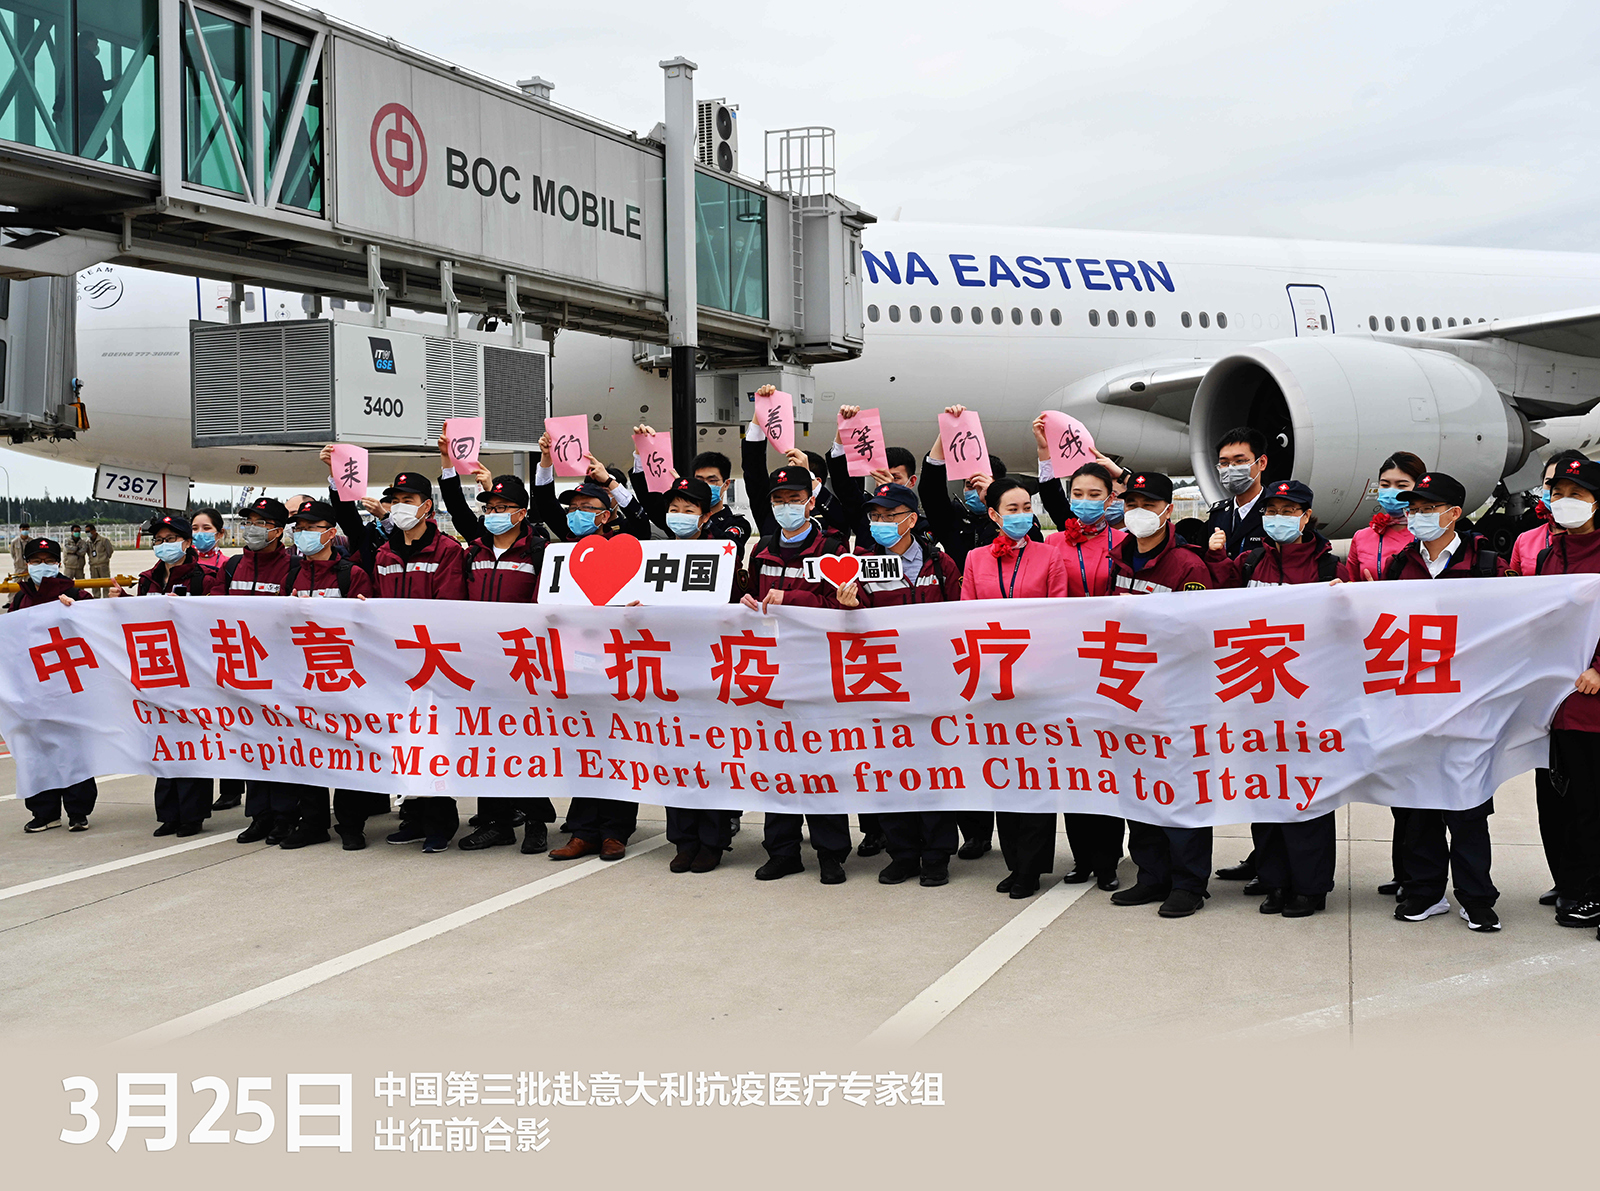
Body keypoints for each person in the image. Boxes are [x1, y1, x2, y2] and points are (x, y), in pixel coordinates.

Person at [1208, 481, 1339, 918]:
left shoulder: (1328, 568)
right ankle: (1275, 879)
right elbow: (1221, 607)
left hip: (1307, 702)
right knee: (1265, 795)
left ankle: (1311, 886)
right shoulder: (1251, 562)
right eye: (1272, 509)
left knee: (1305, 795)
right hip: (1257, 698)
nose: (1278, 517)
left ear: (1305, 517)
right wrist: (1215, 559)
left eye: (1289, 510)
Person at [1381, 471, 1505, 932]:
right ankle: (1424, 891)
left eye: (1428, 508)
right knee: (1417, 807)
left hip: (1468, 707)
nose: (1417, 516)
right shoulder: (1399, 565)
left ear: (1455, 513)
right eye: (1413, 508)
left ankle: (1476, 898)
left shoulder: (1488, 561)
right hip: (1413, 705)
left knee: (1468, 807)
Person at [836, 481, 963, 887]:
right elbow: (852, 628)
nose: (880, 523)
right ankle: (903, 852)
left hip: (934, 684)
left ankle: (937, 854)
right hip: (883, 683)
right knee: (890, 773)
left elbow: (960, 617)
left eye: (889, 516)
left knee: (933, 771)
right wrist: (850, 607)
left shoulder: (939, 564)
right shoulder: (859, 566)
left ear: (910, 519)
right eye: (874, 517)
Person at [434, 441, 558, 858]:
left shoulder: (539, 551)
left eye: (502, 506)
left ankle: (537, 823)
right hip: (481, 665)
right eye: (488, 507)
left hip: (525, 665)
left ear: (522, 513)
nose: (493, 514)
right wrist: (449, 464)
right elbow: (456, 508)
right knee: (487, 744)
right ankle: (497, 823)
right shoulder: (475, 550)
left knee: (526, 745)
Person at [1106, 471, 1215, 918]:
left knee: (1182, 791)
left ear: (1168, 510)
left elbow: (1198, 634)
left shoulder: (1188, 565)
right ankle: (1151, 875)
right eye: (1132, 503)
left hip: (1175, 697)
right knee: (1139, 789)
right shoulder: (1116, 559)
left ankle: (1189, 883)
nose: (1139, 513)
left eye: (1149, 505)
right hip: (1129, 694)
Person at [737, 463, 853, 884]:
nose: (787, 506)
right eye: (778, 500)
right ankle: (782, 849)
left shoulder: (834, 548)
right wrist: (748, 603)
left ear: (811, 499)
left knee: (822, 765)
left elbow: (842, 607)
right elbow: (743, 598)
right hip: (769, 669)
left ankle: (831, 852)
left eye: (794, 499)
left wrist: (792, 597)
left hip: (817, 669)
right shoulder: (762, 549)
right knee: (777, 764)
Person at [961, 477, 1069, 898]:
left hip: (1036, 682)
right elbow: (967, 618)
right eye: (1012, 508)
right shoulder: (974, 559)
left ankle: (1032, 867)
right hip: (992, 681)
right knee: (1004, 775)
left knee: (1036, 776)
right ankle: (1014, 862)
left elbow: (1057, 616)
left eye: (1027, 507)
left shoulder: (1049, 556)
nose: (1022, 515)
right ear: (993, 514)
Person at [1035, 455, 1127, 890]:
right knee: (1072, 764)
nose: (1085, 502)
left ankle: (1108, 858)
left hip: (1110, 661)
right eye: (1078, 495)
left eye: (1095, 495)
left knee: (1106, 763)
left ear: (1111, 499)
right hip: (1066, 662)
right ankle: (1082, 857)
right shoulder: (1053, 545)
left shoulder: (1124, 540)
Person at [643, 475, 742, 874]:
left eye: (689, 511)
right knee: (675, 755)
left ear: (705, 517)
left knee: (711, 754)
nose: (679, 517)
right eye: (674, 510)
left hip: (711, 666)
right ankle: (683, 839)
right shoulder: (655, 556)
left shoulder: (722, 553)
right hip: (668, 667)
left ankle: (713, 840)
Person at [367, 473, 469, 853]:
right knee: (403, 745)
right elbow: (378, 600)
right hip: (395, 666)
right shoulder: (385, 552)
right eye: (394, 500)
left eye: (408, 499)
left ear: (426, 506)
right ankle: (412, 817)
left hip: (433, 663)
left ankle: (440, 823)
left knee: (434, 744)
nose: (399, 507)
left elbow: (449, 606)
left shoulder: (446, 551)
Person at [275, 499, 380, 850]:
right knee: (309, 753)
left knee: (348, 752)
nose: (303, 535)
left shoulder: (352, 574)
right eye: (299, 528)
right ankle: (313, 822)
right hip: (303, 679)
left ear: (330, 533)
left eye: (311, 528)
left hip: (344, 679)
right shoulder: (292, 573)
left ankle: (351, 824)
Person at [206, 497, 305, 844]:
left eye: (261, 523)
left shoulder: (293, 566)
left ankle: (285, 815)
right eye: (248, 521)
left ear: (279, 531)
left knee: (281, 746)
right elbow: (211, 613)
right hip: (242, 672)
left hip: (280, 673)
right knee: (252, 747)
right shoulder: (232, 568)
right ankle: (259, 815)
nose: (252, 529)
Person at [111, 514, 212, 836]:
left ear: (186, 542)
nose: (164, 546)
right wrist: (122, 603)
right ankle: (169, 814)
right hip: (157, 671)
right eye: (159, 540)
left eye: (171, 539)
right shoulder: (148, 579)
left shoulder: (204, 577)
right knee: (163, 742)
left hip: (192, 672)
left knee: (190, 744)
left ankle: (192, 815)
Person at [1533, 455, 1600, 936]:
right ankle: (1571, 881)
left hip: (1591, 701)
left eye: (1576, 495)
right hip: (1551, 701)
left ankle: (1593, 890)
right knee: (1557, 800)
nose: (1564, 503)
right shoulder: (1549, 553)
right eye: (1558, 494)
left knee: (1592, 804)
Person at [11, 537, 98, 834]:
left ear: (59, 563)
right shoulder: (21, 598)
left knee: (73, 749)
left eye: (49, 561)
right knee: (37, 751)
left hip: (69, 686)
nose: (42, 566)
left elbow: (98, 629)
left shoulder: (73, 593)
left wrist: (77, 611)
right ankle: (44, 811)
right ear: (26, 564)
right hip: (33, 688)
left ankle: (78, 811)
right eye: (36, 561)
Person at [919, 404, 1030, 570]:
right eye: (969, 485)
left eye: (982, 484)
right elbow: (931, 492)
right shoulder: (954, 520)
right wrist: (947, 432)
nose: (975, 491)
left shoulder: (1018, 520)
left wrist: (993, 498)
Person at [1338, 451, 1426, 584]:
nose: (1391, 491)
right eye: (1385, 485)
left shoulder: (1430, 534)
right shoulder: (1361, 537)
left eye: (1401, 486)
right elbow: (1352, 582)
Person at [1508, 451, 1586, 577]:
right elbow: (1513, 589)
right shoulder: (1524, 541)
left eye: (1567, 484)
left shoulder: (1594, 540)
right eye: (1550, 483)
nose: (1556, 492)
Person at [1204, 427, 1272, 557]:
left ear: (1262, 463)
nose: (1231, 468)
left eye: (1240, 461)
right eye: (1224, 463)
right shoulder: (1218, 514)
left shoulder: (1275, 512)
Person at [85, 523, 114, 594]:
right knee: (95, 585)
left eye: (89, 531)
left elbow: (110, 551)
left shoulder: (103, 540)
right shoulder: (88, 542)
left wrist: (104, 559)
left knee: (106, 584)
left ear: (94, 531)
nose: (88, 533)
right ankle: (96, 599)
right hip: (93, 566)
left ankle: (106, 599)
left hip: (103, 565)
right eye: (86, 532)